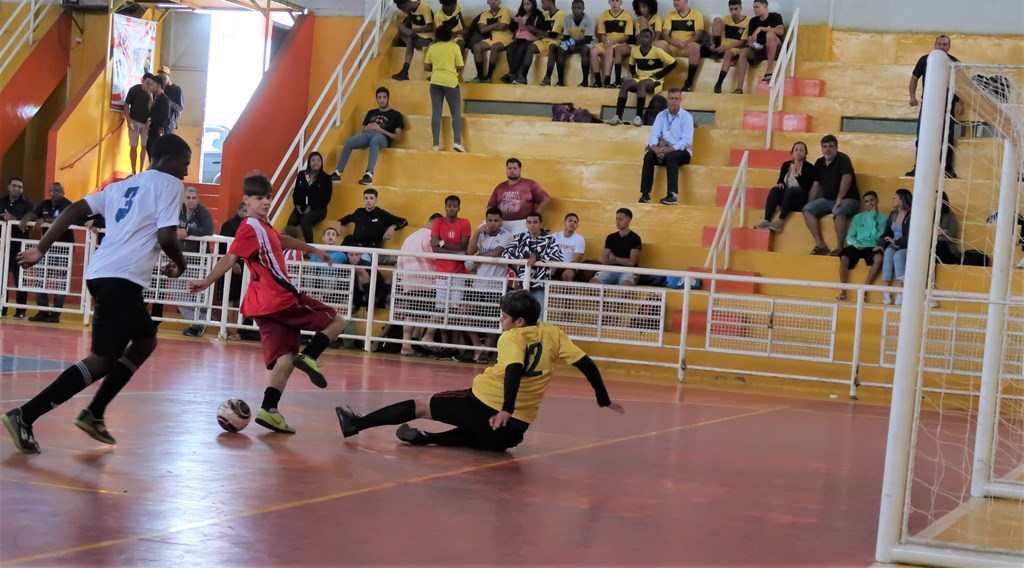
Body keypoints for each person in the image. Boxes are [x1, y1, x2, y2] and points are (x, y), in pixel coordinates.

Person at [1, 134, 191, 455]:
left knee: (145, 340)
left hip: (103, 273)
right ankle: (26, 415)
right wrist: (180, 263)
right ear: (169, 159)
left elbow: (75, 208)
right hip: (122, 278)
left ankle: (95, 412)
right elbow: (166, 235)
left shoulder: (120, 187)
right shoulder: (171, 185)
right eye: (184, 164)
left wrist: (41, 248)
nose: (185, 172)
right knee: (102, 360)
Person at [333, 290, 625, 451]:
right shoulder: (552, 333)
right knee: (478, 434)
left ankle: (356, 424)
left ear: (519, 321)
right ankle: (428, 438)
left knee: (422, 404)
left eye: (505, 316)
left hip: (489, 407)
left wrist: (505, 408)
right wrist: (602, 397)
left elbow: (512, 370)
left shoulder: (512, 338)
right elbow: (586, 364)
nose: (501, 319)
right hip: (511, 435)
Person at [186, 174, 349, 434]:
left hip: (263, 306)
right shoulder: (250, 227)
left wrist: (312, 250)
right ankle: (311, 356)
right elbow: (231, 258)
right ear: (246, 201)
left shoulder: (264, 226)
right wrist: (206, 282)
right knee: (338, 321)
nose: (265, 202)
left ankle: (269, 410)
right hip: (280, 297)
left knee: (285, 358)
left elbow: (280, 239)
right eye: (259, 198)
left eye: (268, 197)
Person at [19, 182, 76, 323]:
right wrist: (25, 220)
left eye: (59, 190)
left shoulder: (68, 205)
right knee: (40, 277)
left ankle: (56, 314)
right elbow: (33, 213)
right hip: (46, 248)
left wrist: (45, 220)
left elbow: (65, 219)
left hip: (64, 248)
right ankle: (43, 311)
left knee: (60, 281)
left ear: (64, 192)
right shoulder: (44, 204)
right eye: (53, 190)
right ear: (49, 192)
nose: (56, 193)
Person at [905, 35, 961, 179]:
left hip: (947, 106)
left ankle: (947, 169)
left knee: (947, 137)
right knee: (922, 136)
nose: (942, 47)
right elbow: (914, 79)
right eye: (939, 44)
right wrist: (912, 96)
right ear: (934, 45)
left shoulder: (954, 62)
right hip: (928, 105)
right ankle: (918, 167)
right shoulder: (925, 60)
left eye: (945, 45)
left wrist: (960, 103)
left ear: (949, 47)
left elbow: (961, 85)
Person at [466, 207, 514, 362]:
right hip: (477, 285)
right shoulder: (481, 234)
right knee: (466, 316)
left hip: (495, 287)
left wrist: (478, 257)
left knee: (493, 321)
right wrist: (477, 233)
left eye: (495, 220)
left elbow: (497, 253)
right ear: (485, 220)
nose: (492, 224)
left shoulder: (506, 235)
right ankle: (478, 348)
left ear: (500, 221)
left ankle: (486, 352)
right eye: (489, 220)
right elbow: (469, 251)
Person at [330, 87, 404, 186]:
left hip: (382, 137)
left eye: (384, 97)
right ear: (376, 99)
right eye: (379, 97)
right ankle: (337, 173)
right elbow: (363, 131)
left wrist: (380, 129)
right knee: (349, 142)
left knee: (375, 141)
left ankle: (368, 175)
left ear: (388, 98)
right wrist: (367, 128)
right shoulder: (371, 112)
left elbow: (398, 137)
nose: (382, 100)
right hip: (368, 134)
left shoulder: (396, 114)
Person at [802, 134, 860, 256]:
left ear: (836, 147)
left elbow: (847, 178)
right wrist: (809, 202)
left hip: (849, 199)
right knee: (807, 210)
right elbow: (815, 185)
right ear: (821, 148)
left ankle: (840, 248)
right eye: (825, 146)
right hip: (828, 200)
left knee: (838, 211)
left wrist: (839, 199)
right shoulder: (819, 162)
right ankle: (820, 245)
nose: (828, 149)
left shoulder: (843, 159)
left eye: (831, 146)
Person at [607, 28, 676, 126]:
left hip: (654, 81)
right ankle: (618, 116)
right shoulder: (635, 50)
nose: (644, 39)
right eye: (642, 37)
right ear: (638, 38)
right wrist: (634, 74)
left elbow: (673, 63)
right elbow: (631, 64)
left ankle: (638, 117)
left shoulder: (657, 51)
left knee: (642, 84)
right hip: (640, 78)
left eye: (646, 37)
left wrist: (658, 75)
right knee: (626, 83)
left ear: (651, 39)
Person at [396, 212, 443, 356]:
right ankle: (427, 336)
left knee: (411, 314)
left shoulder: (410, 237)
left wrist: (402, 280)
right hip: (428, 281)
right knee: (441, 308)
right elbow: (439, 258)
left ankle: (406, 345)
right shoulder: (432, 237)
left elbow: (400, 261)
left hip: (409, 281)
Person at [639, 88, 692, 205]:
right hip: (663, 150)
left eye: (676, 99)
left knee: (671, 157)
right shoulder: (661, 115)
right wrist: (655, 148)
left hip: (681, 152)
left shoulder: (686, 116)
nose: (674, 101)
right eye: (671, 98)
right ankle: (645, 194)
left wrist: (671, 149)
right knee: (648, 156)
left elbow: (687, 141)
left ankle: (672, 195)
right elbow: (654, 135)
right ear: (667, 99)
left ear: (680, 100)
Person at [501, 211, 564, 305]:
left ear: (540, 223)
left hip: (541, 284)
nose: (532, 225)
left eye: (535, 222)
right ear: (526, 224)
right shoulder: (521, 237)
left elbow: (558, 257)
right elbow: (506, 253)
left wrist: (537, 257)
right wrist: (527, 256)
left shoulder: (549, 239)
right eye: (529, 222)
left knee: (539, 316)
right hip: (522, 284)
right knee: (522, 316)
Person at [753, 141, 817, 232]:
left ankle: (780, 220)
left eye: (802, 150)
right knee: (775, 190)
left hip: (799, 199)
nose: (798, 152)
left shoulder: (809, 167)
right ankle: (767, 219)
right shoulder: (786, 165)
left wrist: (796, 174)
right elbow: (780, 180)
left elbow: (806, 187)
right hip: (786, 197)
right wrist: (780, 183)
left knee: (791, 190)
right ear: (792, 153)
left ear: (805, 153)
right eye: (796, 150)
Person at [835, 192, 886, 301]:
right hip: (858, 245)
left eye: (872, 200)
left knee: (879, 258)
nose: (869, 203)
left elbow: (876, 238)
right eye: (866, 201)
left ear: (877, 200)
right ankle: (843, 291)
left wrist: (872, 218)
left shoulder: (884, 219)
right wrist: (856, 244)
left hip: (873, 246)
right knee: (844, 257)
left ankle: (864, 290)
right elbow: (849, 237)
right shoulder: (858, 217)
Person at [425, 25, 467, 153]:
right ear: (451, 35)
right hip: (451, 82)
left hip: (435, 81)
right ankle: (457, 142)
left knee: (436, 112)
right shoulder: (454, 47)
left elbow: (426, 66)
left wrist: (437, 68)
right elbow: (460, 66)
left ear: (437, 36)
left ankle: (435, 145)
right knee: (455, 113)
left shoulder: (432, 47)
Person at [487, 158, 552, 234]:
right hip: (502, 223)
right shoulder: (500, 187)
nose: (512, 170)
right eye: (509, 168)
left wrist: (535, 215)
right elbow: (490, 206)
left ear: (520, 170)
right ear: (506, 170)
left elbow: (546, 200)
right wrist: (493, 221)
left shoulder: (529, 184)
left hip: (522, 223)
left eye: (515, 168)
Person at [731, 0, 782, 93]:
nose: (754, 9)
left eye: (757, 7)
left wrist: (761, 28)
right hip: (760, 49)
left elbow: (780, 31)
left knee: (770, 34)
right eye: (753, 7)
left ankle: (769, 71)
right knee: (744, 51)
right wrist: (756, 46)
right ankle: (739, 88)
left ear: (765, 7)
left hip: (775, 48)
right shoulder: (753, 21)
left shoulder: (775, 16)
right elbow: (750, 40)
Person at [2, 176, 34, 319]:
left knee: (19, 278)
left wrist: (14, 219)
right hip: (2, 246)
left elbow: (33, 216)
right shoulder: (1, 201)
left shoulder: (28, 204)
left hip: (19, 246)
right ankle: (2, 308)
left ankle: (20, 310)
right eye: (14, 185)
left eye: (20, 187)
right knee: (1, 277)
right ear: (9, 187)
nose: (17, 188)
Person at [285, 151, 333, 244]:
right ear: (309, 163)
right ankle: (285, 248)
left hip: (319, 209)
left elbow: (326, 199)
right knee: (291, 222)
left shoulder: (326, 178)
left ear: (321, 163)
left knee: (305, 220)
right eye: (313, 160)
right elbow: (296, 193)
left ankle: (310, 249)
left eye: (318, 160)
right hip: (301, 207)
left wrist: (311, 208)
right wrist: (297, 205)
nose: (316, 162)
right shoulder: (301, 175)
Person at [336, 188, 408, 249]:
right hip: (355, 246)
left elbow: (403, 221)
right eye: (366, 198)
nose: (368, 201)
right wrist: (339, 222)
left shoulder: (381, 214)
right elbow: (347, 218)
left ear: (376, 200)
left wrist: (393, 227)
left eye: (371, 198)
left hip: (370, 249)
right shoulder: (359, 212)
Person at [878, 189, 912, 305]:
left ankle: (901, 291)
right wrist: (880, 245)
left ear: (901, 199)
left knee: (898, 256)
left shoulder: (911, 215)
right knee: (888, 253)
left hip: (905, 245)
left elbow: (910, 236)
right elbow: (886, 232)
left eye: (895, 197)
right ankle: (886, 290)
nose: (893, 199)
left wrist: (896, 241)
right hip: (894, 244)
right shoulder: (893, 214)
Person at [661, 0, 705, 92]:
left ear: (686, 1)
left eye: (678, 0)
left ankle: (688, 82)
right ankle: (655, 78)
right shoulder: (670, 15)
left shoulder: (696, 14)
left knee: (696, 47)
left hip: (687, 47)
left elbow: (699, 34)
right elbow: (665, 34)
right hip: (672, 47)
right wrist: (672, 42)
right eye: (674, 0)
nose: (675, 2)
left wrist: (686, 42)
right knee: (656, 44)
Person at [548, 0, 593, 86]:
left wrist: (573, 44)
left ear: (583, 9)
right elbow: (565, 37)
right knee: (561, 49)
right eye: (575, 8)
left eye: (579, 8)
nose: (577, 10)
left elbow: (587, 39)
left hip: (587, 42)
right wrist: (568, 44)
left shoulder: (589, 20)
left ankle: (585, 81)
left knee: (584, 50)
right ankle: (560, 81)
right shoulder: (567, 19)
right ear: (572, 8)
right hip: (573, 41)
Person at [590, 0, 634, 88]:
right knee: (593, 51)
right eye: (612, 1)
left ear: (621, 2)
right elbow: (601, 33)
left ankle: (607, 80)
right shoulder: (604, 14)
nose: (614, 3)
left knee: (609, 50)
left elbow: (627, 37)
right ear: (609, 2)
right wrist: (605, 41)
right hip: (606, 42)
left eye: (617, 1)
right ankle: (598, 81)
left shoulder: (627, 15)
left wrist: (613, 42)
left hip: (619, 44)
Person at [468, 0, 514, 83]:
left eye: (496, 0)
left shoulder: (505, 10)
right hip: (492, 38)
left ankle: (488, 77)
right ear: (487, 2)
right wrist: (496, 24)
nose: (493, 2)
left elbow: (503, 27)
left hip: (506, 39)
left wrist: (489, 26)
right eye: (491, 0)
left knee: (495, 47)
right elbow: (482, 30)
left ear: (499, 1)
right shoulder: (484, 14)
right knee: (476, 47)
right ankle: (480, 76)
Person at [591, 208, 641, 285]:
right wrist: (622, 261)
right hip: (610, 269)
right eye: (616, 219)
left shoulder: (635, 238)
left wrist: (614, 258)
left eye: (621, 219)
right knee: (593, 283)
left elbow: (631, 262)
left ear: (628, 220)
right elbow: (604, 260)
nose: (618, 222)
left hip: (627, 271)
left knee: (626, 285)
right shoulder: (611, 237)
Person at [521, 0, 566, 85]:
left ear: (550, 2)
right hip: (545, 40)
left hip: (556, 41)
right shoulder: (545, 15)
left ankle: (547, 78)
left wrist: (535, 30)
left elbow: (554, 35)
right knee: (531, 47)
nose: (541, 5)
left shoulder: (561, 14)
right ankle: (523, 77)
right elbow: (541, 32)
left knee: (552, 47)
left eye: (543, 2)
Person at [709, 0, 750, 94]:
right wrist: (713, 44)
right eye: (731, 9)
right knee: (717, 20)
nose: (733, 12)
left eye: (736, 9)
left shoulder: (748, 21)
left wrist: (725, 47)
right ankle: (715, 49)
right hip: (722, 45)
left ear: (740, 8)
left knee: (728, 54)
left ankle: (719, 83)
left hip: (735, 48)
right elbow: (715, 32)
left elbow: (742, 42)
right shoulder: (727, 18)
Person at [501, 0, 543, 84]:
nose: (526, 6)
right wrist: (513, 21)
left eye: (528, 4)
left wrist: (526, 23)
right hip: (518, 39)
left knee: (521, 49)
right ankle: (512, 73)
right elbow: (511, 29)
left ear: (533, 4)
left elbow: (540, 28)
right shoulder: (520, 14)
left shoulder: (538, 14)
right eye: (524, 4)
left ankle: (512, 74)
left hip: (531, 39)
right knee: (510, 48)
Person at [392, 0, 435, 81]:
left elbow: (430, 27)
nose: (404, 11)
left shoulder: (424, 7)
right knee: (403, 31)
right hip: (415, 36)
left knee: (408, 36)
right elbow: (409, 18)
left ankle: (404, 71)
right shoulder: (410, 10)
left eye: (404, 9)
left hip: (427, 39)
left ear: (407, 4)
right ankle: (404, 71)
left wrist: (413, 31)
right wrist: (404, 28)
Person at [123, 73, 153, 174]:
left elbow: (152, 109)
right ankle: (133, 171)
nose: (149, 85)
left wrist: (151, 97)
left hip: (146, 123)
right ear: (142, 80)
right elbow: (126, 105)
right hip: (134, 120)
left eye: (151, 83)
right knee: (133, 145)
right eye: (147, 82)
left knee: (144, 146)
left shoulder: (152, 93)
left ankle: (141, 170)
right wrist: (128, 120)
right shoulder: (134, 90)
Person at [145, 74, 172, 162]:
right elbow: (151, 112)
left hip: (158, 132)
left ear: (159, 86)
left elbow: (165, 117)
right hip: (152, 130)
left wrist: (158, 128)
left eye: (152, 84)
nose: (150, 87)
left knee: (155, 155)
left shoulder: (164, 99)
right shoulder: (156, 98)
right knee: (149, 149)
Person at [552, 212, 585, 281]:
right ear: (564, 222)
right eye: (570, 220)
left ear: (577, 226)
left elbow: (575, 261)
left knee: (567, 274)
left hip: (569, 267)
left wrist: (562, 266)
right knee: (550, 270)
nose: (572, 223)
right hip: (554, 264)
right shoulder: (554, 236)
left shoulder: (580, 239)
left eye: (575, 222)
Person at [935, 191, 961, 264]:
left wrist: (934, 235)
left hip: (946, 249)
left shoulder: (950, 217)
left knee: (940, 247)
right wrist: (941, 232)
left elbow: (950, 236)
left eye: (937, 199)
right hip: (933, 249)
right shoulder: (929, 218)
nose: (935, 202)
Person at [157, 66, 184, 134]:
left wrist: (168, 102)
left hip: (169, 124)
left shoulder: (177, 89)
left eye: (164, 77)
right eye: (160, 78)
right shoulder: (159, 88)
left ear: (169, 76)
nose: (162, 80)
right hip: (158, 122)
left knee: (167, 143)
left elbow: (180, 107)